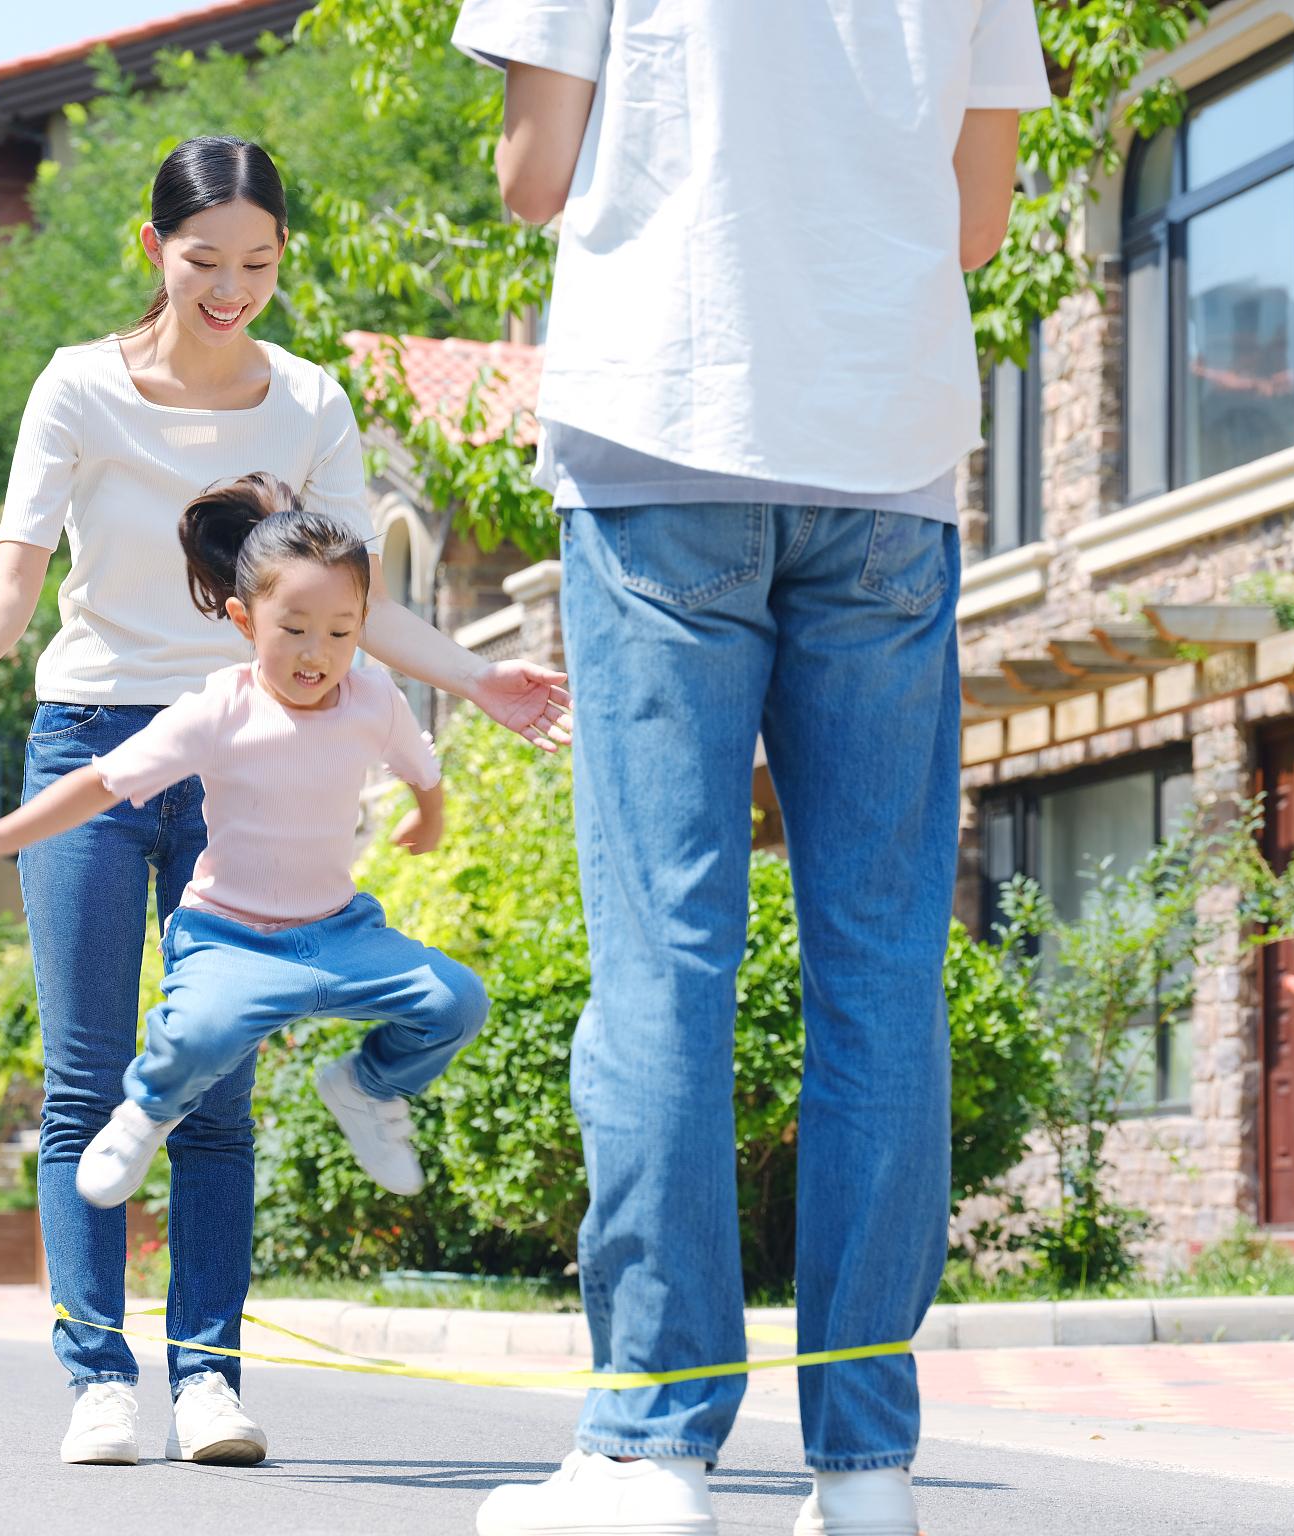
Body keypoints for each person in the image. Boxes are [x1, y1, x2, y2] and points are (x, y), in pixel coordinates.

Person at [448, 4, 1050, 1534]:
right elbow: (980, 220)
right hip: (887, 465)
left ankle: (652, 1448)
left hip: (666, 437)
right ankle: (866, 1469)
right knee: (881, 960)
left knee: (668, 952)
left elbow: (531, 173)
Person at [0, 135, 568, 1469]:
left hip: (248, 754)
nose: (233, 289)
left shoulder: (310, 404)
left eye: (259, 264)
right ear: (152, 250)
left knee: (212, 1077)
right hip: (92, 737)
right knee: (89, 1077)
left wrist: (471, 676)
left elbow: (349, 605)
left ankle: (207, 1378)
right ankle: (99, 1377)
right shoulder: (77, 388)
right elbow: (16, 575)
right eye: (207, 261)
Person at [0, 473, 485, 1284]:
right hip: (231, 934)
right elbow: (102, 784)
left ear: (363, 630)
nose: (316, 654)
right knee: (202, 1037)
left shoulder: (371, 697)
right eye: (293, 628)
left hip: (338, 931)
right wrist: (2, 836)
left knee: (454, 1002)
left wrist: (429, 818)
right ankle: (147, 1108)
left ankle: (366, 1089)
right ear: (243, 619)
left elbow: (421, 764)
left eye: (340, 632)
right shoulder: (216, 709)